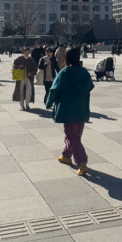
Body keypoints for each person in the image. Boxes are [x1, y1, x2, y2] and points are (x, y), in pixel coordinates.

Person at [46, 47, 94, 176]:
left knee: (73, 136)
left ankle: (82, 162)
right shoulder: (84, 72)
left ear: (66, 59)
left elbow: (54, 90)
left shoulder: (64, 72)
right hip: (82, 110)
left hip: (68, 110)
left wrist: (49, 103)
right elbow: (91, 86)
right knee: (74, 135)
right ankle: (66, 156)